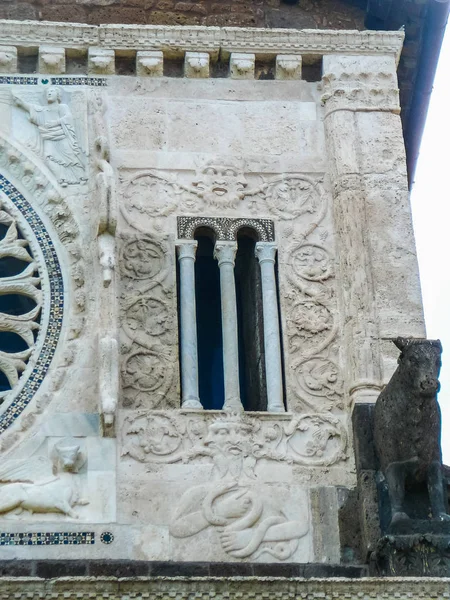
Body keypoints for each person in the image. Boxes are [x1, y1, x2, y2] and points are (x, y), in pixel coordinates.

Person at [13, 87, 86, 186]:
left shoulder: (62, 107)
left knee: (70, 157)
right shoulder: (43, 109)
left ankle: (81, 177)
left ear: (58, 95)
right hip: (49, 138)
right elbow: (33, 108)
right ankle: (62, 178)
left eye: (52, 91)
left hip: (61, 136)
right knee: (49, 158)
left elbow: (68, 117)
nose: (49, 93)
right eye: (48, 92)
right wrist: (21, 103)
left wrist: (55, 122)